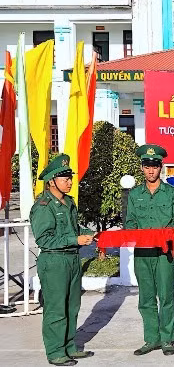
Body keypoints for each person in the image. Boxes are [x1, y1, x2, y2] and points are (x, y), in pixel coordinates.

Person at [30, 154, 95, 366]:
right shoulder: (43, 206)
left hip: (72, 259)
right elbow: (44, 239)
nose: (70, 182)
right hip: (54, 261)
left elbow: (74, 228)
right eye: (65, 178)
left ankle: (69, 346)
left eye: (70, 178)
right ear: (52, 181)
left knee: (72, 306)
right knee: (56, 308)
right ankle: (56, 352)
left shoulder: (68, 202)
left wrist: (88, 234)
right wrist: (75, 239)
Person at [125, 144, 174, 356]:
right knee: (146, 298)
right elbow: (130, 221)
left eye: (155, 166)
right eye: (147, 166)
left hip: (165, 253)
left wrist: (167, 233)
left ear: (161, 167)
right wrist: (133, 233)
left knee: (166, 296)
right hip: (143, 253)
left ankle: (167, 339)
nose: (151, 170)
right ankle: (151, 339)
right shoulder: (135, 194)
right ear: (142, 167)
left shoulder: (172, 193)